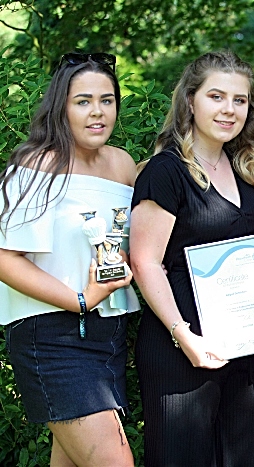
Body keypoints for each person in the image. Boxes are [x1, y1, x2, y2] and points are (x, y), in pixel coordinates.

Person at [130, 51, 254, 466]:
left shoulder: (245, 168)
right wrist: (184, 336)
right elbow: (145, 263)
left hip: (242, 349)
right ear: (190, 101)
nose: (229, 109)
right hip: (181, 351)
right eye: (216, 96)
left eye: (239, 100)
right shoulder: (166, 172)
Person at [0, 52, 138, 466]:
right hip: (53, 336)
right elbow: (5, 257)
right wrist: (80, 297)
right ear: (61, 106)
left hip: (109, 335)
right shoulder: (34, 165)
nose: (97, 112)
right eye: (83, 101)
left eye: (107, 100)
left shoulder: (123, 165)